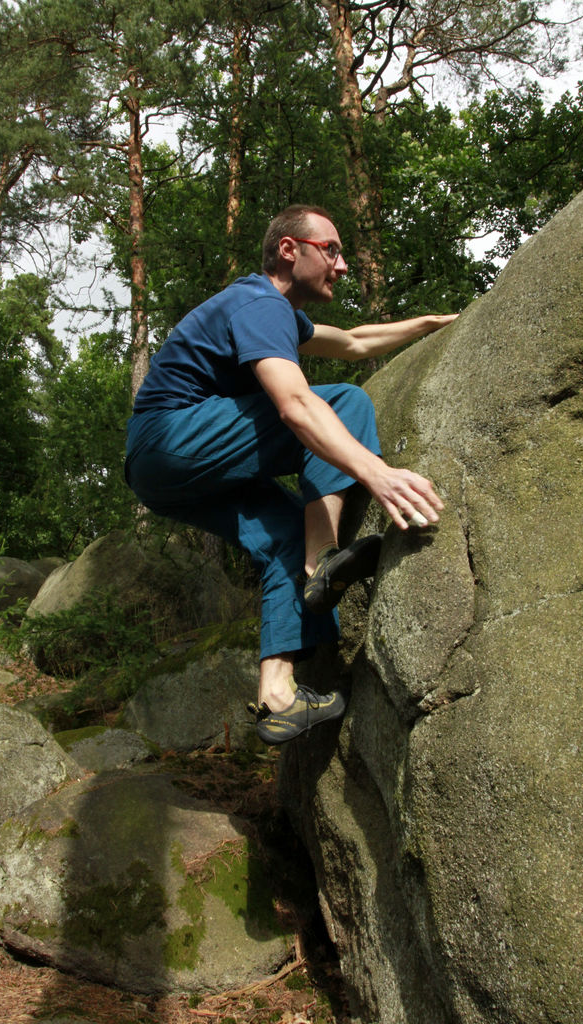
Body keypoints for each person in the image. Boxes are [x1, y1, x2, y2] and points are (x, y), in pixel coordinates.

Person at [125, 205, 457, 744]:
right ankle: (323, 561)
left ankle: (276, 692)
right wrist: (378, 474)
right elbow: (295, 404)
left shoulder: (277, 313)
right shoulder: (258, 303)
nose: (342, 264)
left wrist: (432, 324)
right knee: (344, 403)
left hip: (161, 476)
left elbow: (352, 343)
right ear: (289, 249)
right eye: (332, 249)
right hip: (170, 437)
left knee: (282, 535)